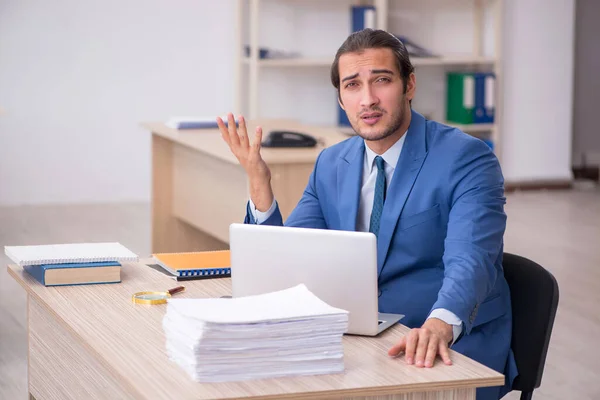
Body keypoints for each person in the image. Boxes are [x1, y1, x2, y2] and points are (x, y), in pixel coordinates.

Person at [217, 28, 518, 400]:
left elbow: (471, 258)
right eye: (353, 85)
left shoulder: (466, 157)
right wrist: (260, 185)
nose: (368, 99)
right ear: (341, 99)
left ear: (409, 85)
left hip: (445, 339)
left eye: (382, 80)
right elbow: (291, 257)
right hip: (360, 335)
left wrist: (440, 324)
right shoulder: (332, 162)